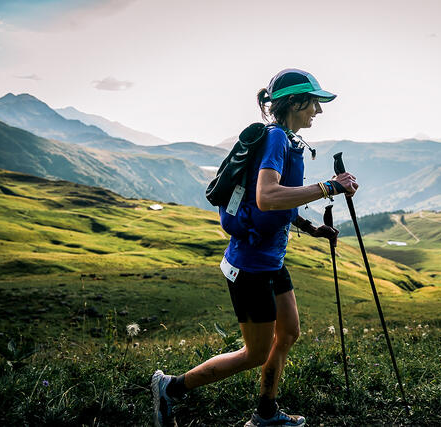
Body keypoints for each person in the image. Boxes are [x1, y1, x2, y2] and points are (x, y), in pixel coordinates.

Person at [151, 68, 358, 427]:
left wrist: (311, 227)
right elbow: (266, 197)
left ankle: (266, 414)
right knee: (255, 352)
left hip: (270, 261)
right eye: (314, 103)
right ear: (295, 102)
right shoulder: (277, 139)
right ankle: (170, 388)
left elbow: (278, 203)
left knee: (289, 332)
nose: (318, 112)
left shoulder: (285, 139)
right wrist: (330, 187)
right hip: (250, 267)